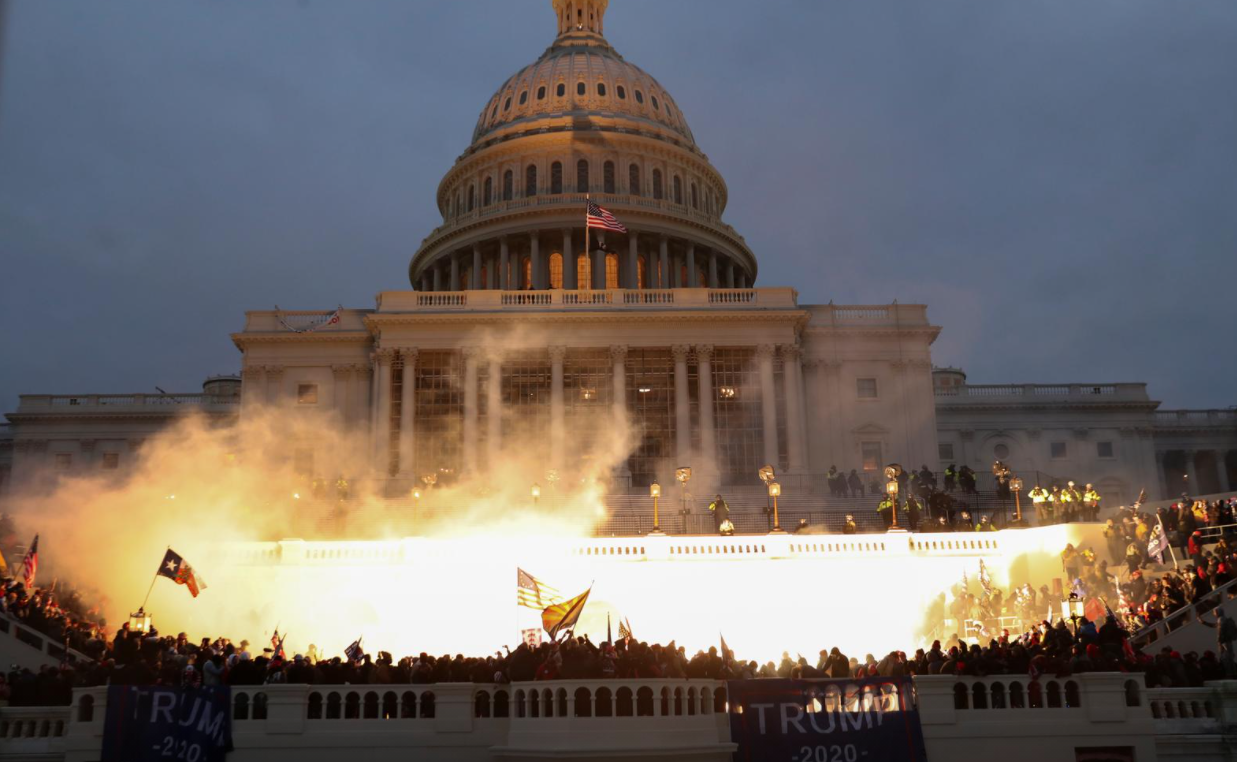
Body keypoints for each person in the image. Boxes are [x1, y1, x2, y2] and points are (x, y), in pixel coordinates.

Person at [1199, 605, 1237, 677]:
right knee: (1229, 657)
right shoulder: (1223, 619)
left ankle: (1230, 674)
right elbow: (1214, 625)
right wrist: (1203, 622)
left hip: (1224, 642)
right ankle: (1233, 673)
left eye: (1214, 612)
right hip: (1227, 641)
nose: (1214, 614)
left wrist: (1219, 640)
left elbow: (1220, 630)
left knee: (1226, 658)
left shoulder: (1221, 619)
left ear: (1217, 612)